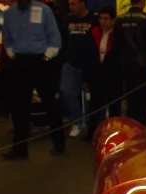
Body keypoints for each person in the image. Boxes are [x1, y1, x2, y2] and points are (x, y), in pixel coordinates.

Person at [2, 0, 66, 160]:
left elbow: (55, 37)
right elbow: (7, 39)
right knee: (19, 108)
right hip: (19, 61)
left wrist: (47, 56)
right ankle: (19, 149)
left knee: (51, 104)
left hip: (41, 61)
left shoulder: (44, 10)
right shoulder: (9, 13)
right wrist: (12, 55)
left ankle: (59, 144)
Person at [113, 0, 146, 126]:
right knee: (142, 98)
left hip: (124, 64)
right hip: (142, 63)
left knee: (130, 97)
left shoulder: (119, 19)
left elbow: (114, 44)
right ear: (143, 2)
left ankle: (131, 126)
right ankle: (140, 126)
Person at [60, 0, 98, 138]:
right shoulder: (67, 20)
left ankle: (92, 123)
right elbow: (62, 40)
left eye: (74, 4)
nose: (71, 7)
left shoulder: (94, 19)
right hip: (71, 64)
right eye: (69, 4)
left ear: (82, 3)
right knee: (66, 91)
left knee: (92, 97)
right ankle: (77, 120)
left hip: (91, 64)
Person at [84, 6, 121, 141]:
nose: (103, 21)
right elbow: (87, 55)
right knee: (94, 106)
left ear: (113, 20)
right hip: (96, 75)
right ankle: (91, 134)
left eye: (106, 19)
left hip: (113, 76)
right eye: (101, 18)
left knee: (114, 107)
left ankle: (116, 134)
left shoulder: (118, 35)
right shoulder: (93, 32)